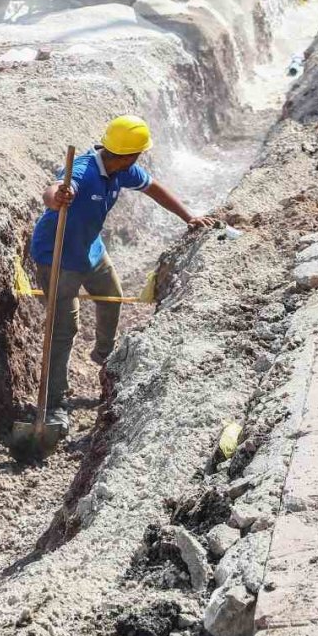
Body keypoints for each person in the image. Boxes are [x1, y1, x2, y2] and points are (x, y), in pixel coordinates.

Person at [30, 115, 215, 434]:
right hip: (57, 258)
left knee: (112, 297)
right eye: (139, 154)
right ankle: (55, 405)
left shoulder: (122, 169)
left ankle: (104, 356)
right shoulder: (85, 170)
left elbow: (154, 189)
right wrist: (57, 197)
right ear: (130, 155)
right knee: (63, 330)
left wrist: (189, 217)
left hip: (91, 250)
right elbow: (55, 189)